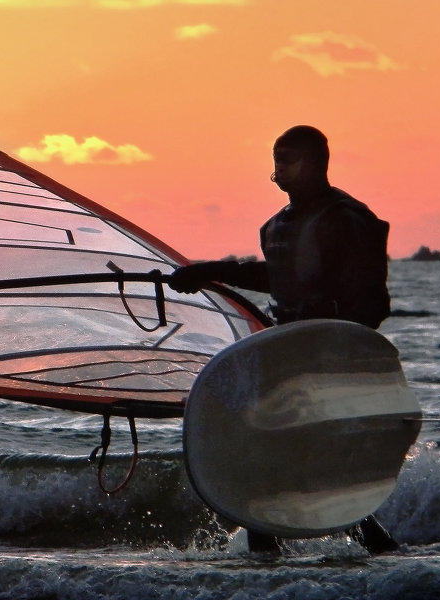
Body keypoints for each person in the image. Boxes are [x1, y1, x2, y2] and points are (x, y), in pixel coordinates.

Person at [169, 125, 397, 556]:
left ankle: (372, 546)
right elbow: (275, 276)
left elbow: (372, 302)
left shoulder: (347, 219)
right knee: (265, 453)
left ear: (317, 163)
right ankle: (268, 556)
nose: (278, 169)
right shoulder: (274, 227)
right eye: (275, 159)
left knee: (308, 455)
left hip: (330, 361)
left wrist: (341, 356)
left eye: (288, 159)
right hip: (283, 358)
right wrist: (205, 272)